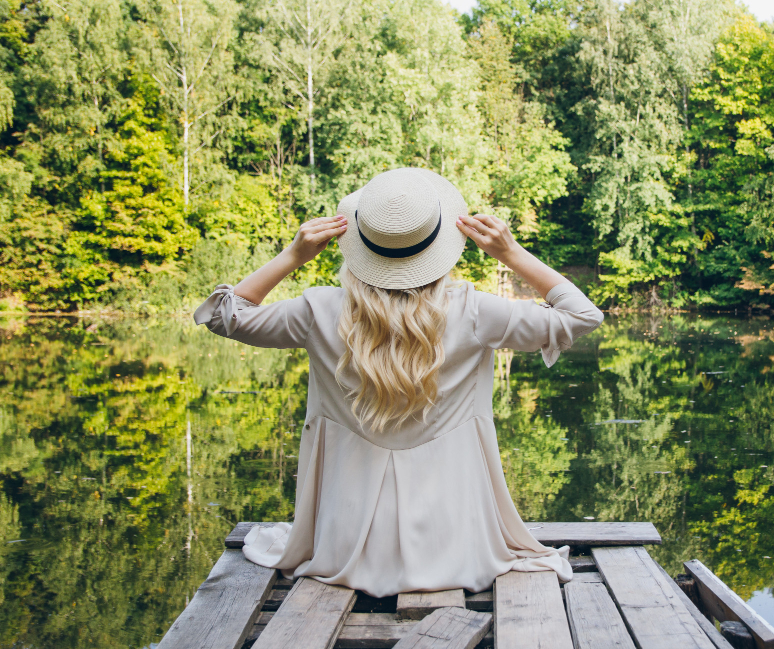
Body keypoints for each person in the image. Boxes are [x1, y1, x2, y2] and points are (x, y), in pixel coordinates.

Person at [193, 168, 603, 597]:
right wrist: (511, 253)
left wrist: (293, 256)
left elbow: (223, 314)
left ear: (357, 243)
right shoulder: (475, 312)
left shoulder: (318, 311)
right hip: (456, 547)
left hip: (342, 545)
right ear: (441, 243)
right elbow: (582, 316)